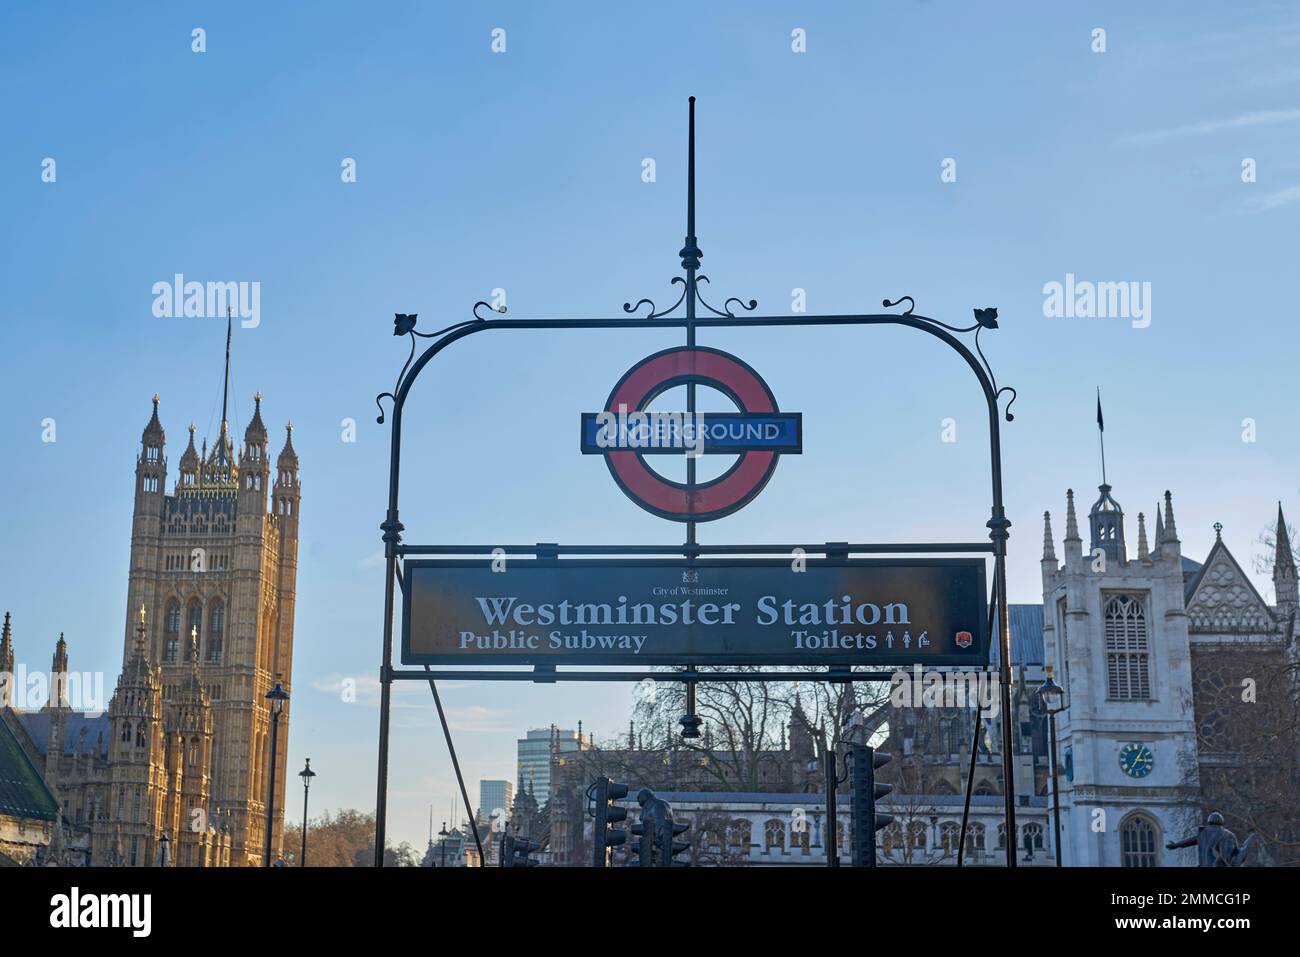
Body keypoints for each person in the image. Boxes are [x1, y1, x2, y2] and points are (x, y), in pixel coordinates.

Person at [1166, 811, 1254, 867]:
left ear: (1209, 821)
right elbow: (1233, 855)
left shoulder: (1203, 834)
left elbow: (1190, 841)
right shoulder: (1229, 835)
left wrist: (1176, 845)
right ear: (1221, 822)